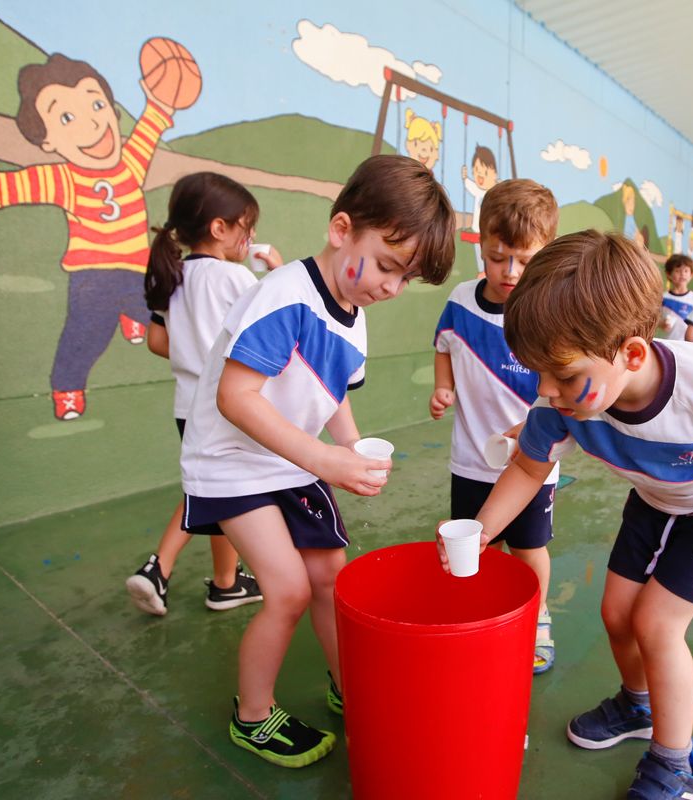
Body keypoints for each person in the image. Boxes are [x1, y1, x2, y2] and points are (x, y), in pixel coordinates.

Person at [437, 231, 693, 798]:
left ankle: (677, 766)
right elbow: (525, 468)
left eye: (562, 374)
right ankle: (639, 706)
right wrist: (484, 531)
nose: (546, 390)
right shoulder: (561, 401)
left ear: (631, 354)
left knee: (657, 626)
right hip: (656, 502)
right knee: (617, 614)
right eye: (538, 373)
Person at [180, 155, 454, 767]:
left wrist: (352, 449)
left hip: (290, 461)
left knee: (332, 574)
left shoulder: (353, 318)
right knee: (287, 590)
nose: (390, 286)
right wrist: (326, 462)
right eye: (386, 264)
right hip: (233, 464)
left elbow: (331, 398)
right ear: (340, 229)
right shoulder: (284, 296)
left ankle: (347, 685)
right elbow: (234, 397)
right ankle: (252, 716)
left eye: (404, 278)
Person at [0, 52, 187, 420]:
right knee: (84, 338)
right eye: (66, 117)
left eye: (97, 104)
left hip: (135, 271)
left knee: (154, 315)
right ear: (48, 142)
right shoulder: (64, 178)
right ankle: (67, 387)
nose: (92, 123)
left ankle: (130, 318)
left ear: (113, 112)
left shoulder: (130, 164)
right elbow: (24, 183)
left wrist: (159, 104)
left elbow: (146, 132)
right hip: (92, 278)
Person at [126, 173, 279, 616]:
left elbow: (158, 342)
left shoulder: (174, 275)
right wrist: (276, 270)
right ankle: (159, 567)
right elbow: (269, 328)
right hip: (228, 408)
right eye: (244, 227)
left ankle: (226, 583)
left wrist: (195, 351)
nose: (248, 237)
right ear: (219, 228)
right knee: (211, 492)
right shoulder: (234, 278)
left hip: (186, 406)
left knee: (218, 490)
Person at [430, 178, 562, 673]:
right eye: (498, 256)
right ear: (481, 242)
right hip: (470, 460)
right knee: (474, 547)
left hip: (531, 462)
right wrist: (443, 388)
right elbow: (444, 346)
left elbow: (562, 391)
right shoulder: (460, 302)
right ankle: (477, 616)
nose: (509, 272)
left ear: (545, 255)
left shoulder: (546, 312)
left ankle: (539, 616)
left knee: (530, 547)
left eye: (525, 261)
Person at [460, 145, 499, 265]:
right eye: (476, 171)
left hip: (493, 230)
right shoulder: (477, 190)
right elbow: (468, 184)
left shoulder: (498, 190)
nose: (480, 176)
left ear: (495, 174)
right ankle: (482, 270)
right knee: (479, 251)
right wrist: (465, 177)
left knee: (494, 251)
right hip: (478, 229)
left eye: (485, 172)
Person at [658, 254, 693, 340]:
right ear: (669, 274)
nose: (682, 274)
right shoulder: (663, 297)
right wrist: (661, 324)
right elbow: (653, 319)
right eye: (677, 271)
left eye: (686, 271)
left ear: (691, 275)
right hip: (667, 343)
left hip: (687, 345)